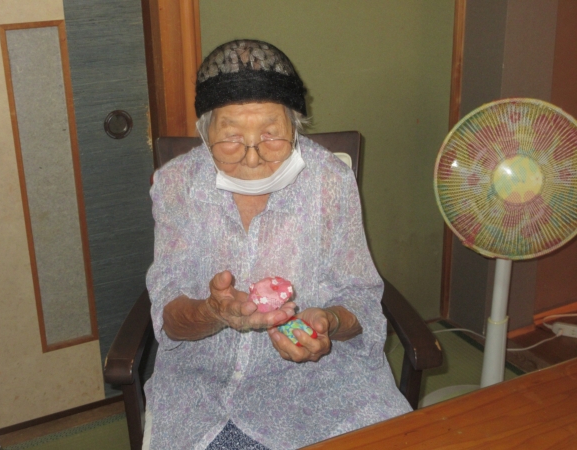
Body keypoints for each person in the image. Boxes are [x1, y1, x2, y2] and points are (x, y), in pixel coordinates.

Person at [143, 39, 411, 450]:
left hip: (321, 389)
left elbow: (360, 298)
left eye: (271, 135)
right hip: (204, 390)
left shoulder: (329, 180)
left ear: (295, 126)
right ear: (204, 132)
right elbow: (170, 318)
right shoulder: (176, 185)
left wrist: (328, 321)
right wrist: (214, 312)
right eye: (231, 137)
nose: (252, 158)